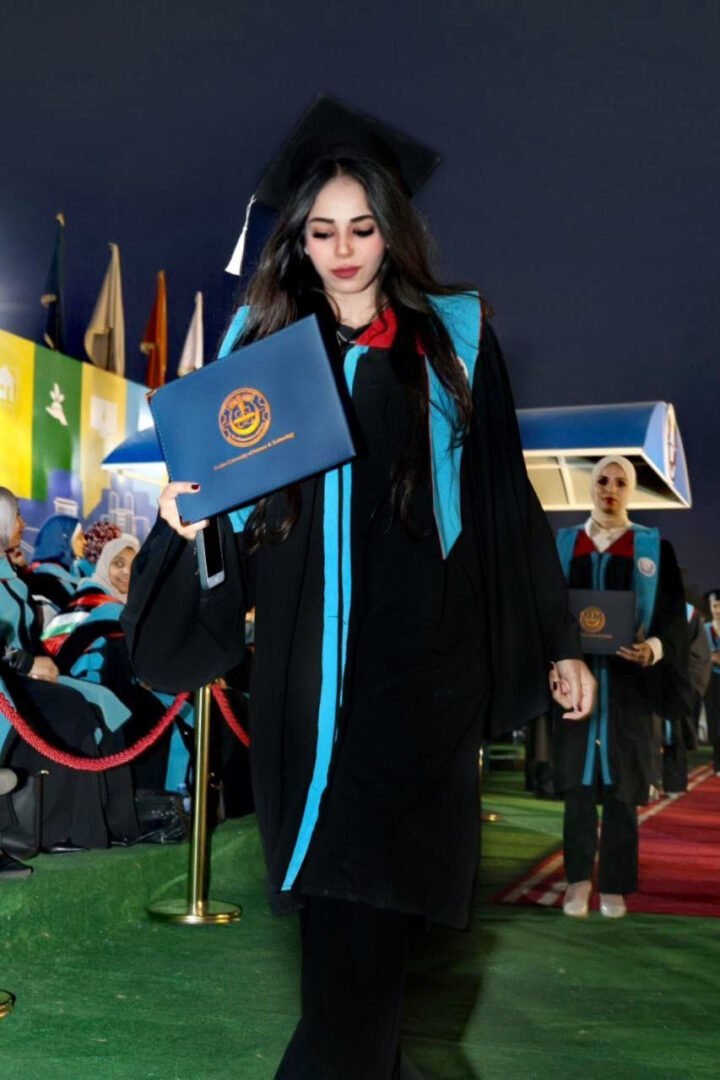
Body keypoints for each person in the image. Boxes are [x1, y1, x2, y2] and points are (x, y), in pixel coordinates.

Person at [123, 98, 594, 1079]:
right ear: (298, 238)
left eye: (363, 228)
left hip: (420, 692)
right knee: (351, 975)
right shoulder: (264, 353)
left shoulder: (454, 342)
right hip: (306, 697)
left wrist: (557, 641)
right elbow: (226, 514)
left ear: (393, 231)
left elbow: (502, 500)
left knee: (356, 973)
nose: (343, 251)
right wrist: (188, 518)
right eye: (322, 230)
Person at [554, 456, 690, 919]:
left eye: (619, 482)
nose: (610, 489)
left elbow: (672, 616)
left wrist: (652, 648)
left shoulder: (652, 547)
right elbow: (546, 608)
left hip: (629, 686)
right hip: (575, 684)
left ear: (630, 490)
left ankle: (614, 885)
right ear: (591, 486)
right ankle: (577, 881)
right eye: (602, 480)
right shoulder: (565, 543)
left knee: (622, 788)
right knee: (577, 787)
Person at [0, 487, 138, 850]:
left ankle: (112, 822)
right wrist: (27, 663)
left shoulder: (9, 573)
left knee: (105, 702)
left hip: (23, 675)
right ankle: (58, 828)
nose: (22, 524)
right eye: (16, 516)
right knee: (72, 709)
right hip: (10, 680)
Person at [43, 534, 192, 795]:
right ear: (103, 564)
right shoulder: (104, 606)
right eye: (118, 563)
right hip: (93, 693)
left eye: (133, 566)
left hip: (78, 694)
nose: (126, 572)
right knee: (169, 713)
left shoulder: (95, 602)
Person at [703, 590, 720, 774]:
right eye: (715, 605)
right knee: (714, 719)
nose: (718, 610)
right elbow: (700, 654)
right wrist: (712, 658)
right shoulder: (704, 629)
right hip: (711, 679)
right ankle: (718, 761)